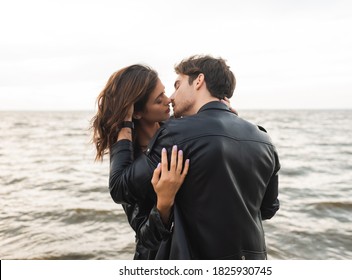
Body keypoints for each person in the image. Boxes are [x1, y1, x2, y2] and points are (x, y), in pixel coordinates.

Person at [110, 55, 280, 260]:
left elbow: (120, 187)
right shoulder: (263, 138)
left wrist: (124, 126)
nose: (171, 97)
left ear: (199, 81)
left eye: (177, 85)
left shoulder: (175, 134)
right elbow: (268, 209)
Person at [91, 64, 189, 259]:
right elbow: (146, 237)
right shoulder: (127, 159)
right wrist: (163, 203)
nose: (168, 99)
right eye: (158, 99)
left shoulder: (178, 130)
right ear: (136, 112)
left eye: (164, 92)